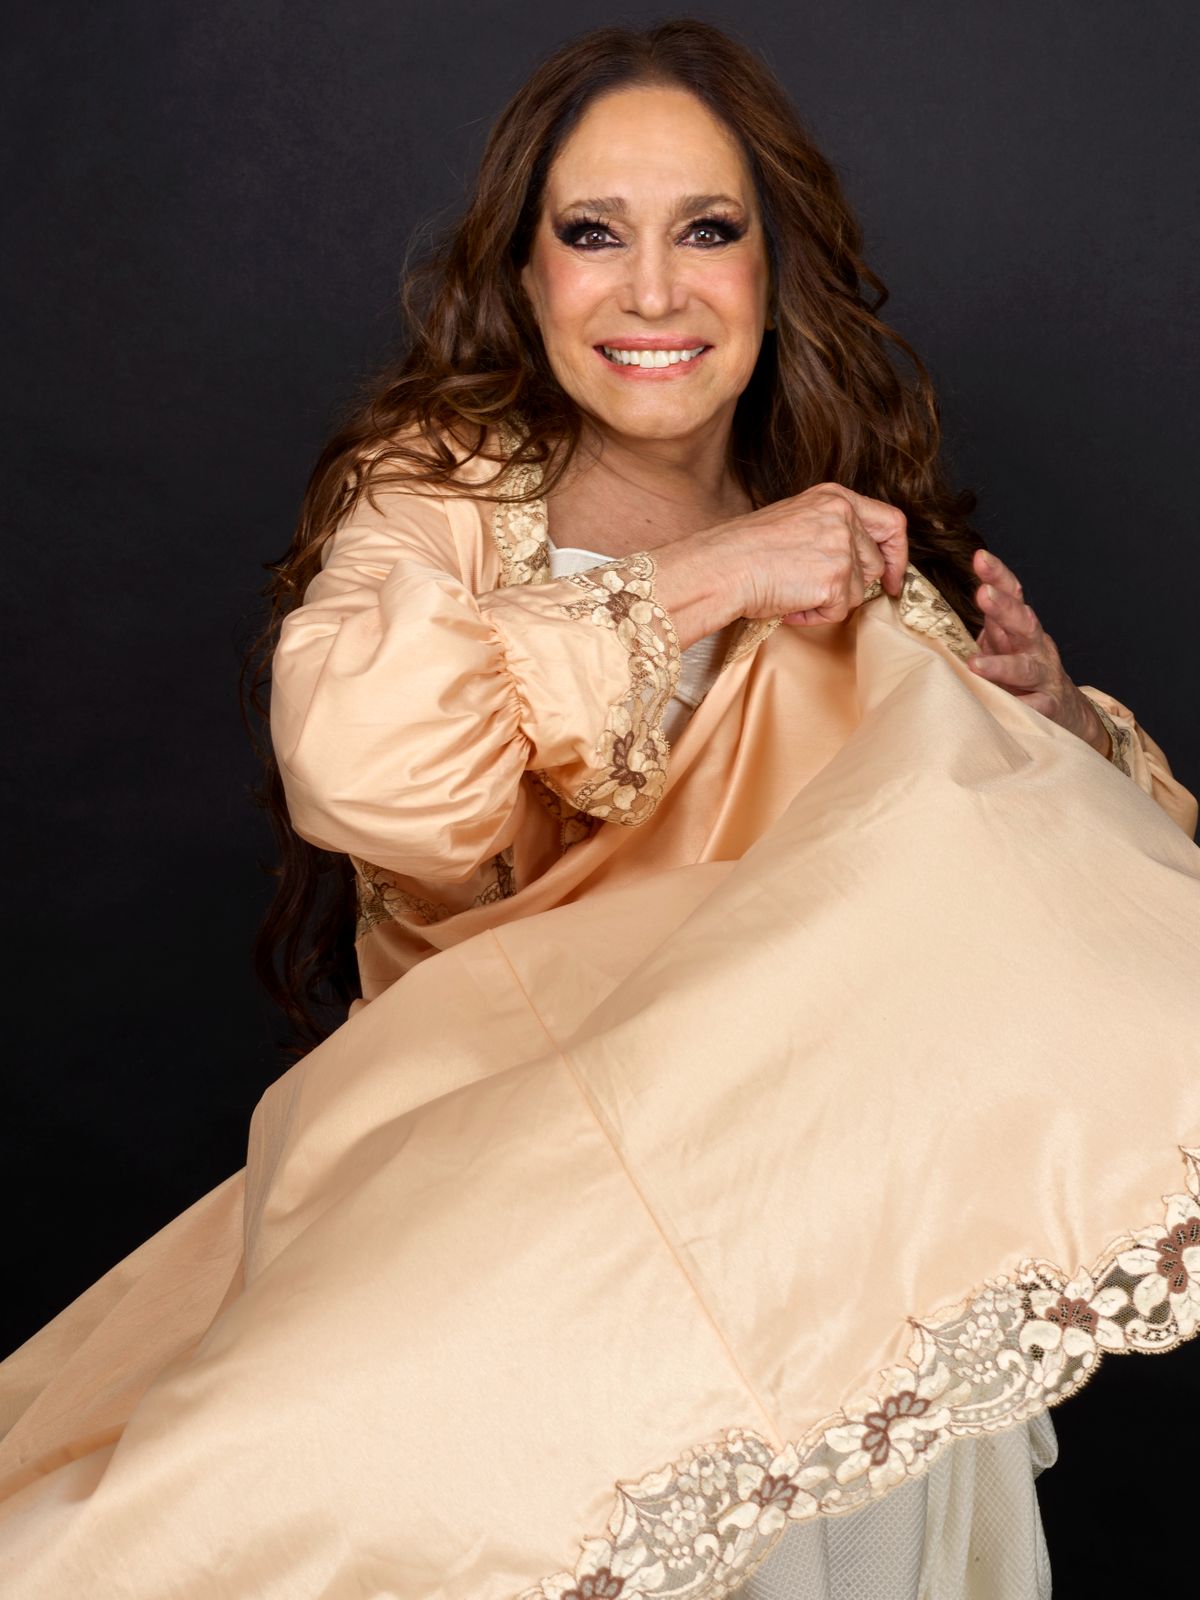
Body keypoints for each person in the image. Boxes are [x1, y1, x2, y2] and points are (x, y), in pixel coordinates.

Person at [1, 20, 1196, 1600]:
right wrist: (715, 574)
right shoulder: (443, 497)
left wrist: (1051, 727)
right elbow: (371, 768)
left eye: (706, 231)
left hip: (840, 1264)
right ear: (525, 270)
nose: (651, 291)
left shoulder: (853, 526)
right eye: (592, 233)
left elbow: (1052, 915)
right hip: (540, 1289)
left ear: (773, 266)